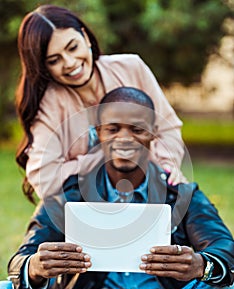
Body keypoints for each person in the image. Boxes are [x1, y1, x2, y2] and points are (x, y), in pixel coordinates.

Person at [0, 87, 233, 289]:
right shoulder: (69, 192)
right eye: (113, 129)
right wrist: (35, 268)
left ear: (153, 134)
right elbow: (21, 261)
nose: (125, 139)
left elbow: (224, 248)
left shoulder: (181, 193)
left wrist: (201, 265)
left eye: (137, 129)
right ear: (97, 133)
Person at [15, 4, 186, 202]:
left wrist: (167, 167)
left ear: (86, 38)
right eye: (54, 60)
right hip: (86, 209)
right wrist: (105, 157)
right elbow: (45, 179)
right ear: (43, 67)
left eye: (73, 47)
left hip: (149, 193)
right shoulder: (49, 104)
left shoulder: (132, 68)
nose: (70, 62)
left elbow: (167, 128)